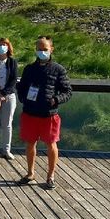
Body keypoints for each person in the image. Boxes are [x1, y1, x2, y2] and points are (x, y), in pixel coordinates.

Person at [17, 36, 71, 190]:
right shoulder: (29, 68)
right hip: (30, 113)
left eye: (45, 49)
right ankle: (30, 173)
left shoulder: (58, 69)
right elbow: (22, 87)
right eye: (39, 49)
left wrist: (56, 99)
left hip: (49, 115)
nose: (42, 52)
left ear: (51, 49)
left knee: (51, 144)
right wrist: (23, 98)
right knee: (30, 144)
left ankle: (50, 175)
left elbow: (67, 91)